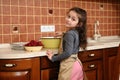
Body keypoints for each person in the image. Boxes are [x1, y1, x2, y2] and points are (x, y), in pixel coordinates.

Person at [46, 7, 87, 80]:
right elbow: (71, 37)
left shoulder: (69, 34)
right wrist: (63, 34)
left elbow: (67, 53)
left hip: (69, 67)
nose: (68, 20)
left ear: (79, 24)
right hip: (77, 65)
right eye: (68, 16)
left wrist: (53, 58)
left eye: (73, 19)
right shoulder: (76, 32)